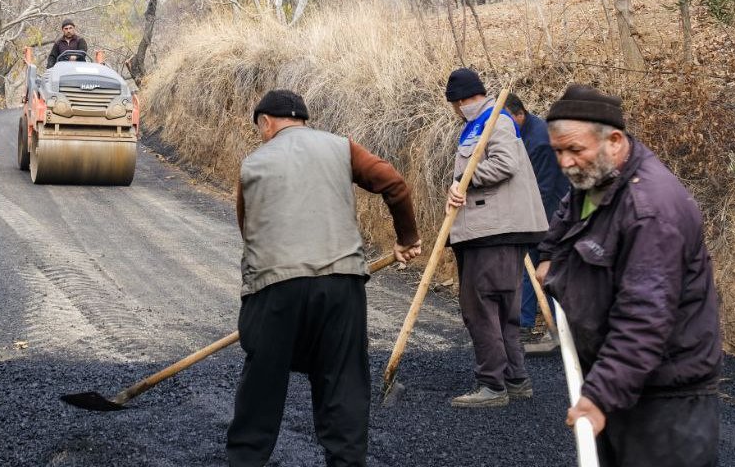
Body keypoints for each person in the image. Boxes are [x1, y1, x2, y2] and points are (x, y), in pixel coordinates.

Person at [228, 89, 422, 467]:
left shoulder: (253, 164)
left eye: (259, 128)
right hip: (340, 284)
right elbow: (394, 184)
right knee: (342, 380)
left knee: (262, 385)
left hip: (274, 288)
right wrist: (407, 237)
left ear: (266, 123)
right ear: (302, 119)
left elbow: (247, 229)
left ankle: (245, 460)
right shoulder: (341, 147)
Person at [537, 84, 722, 467]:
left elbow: (644, 317)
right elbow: (567, 217)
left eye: (575, 150)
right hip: (620, 376)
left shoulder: (650, 210)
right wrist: (550, 256)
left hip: (663, 398)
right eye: (557, 151)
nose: (565, 163)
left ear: (615, 141)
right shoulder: (597, 179)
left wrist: (599, 395)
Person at [443, 69, 548, 408]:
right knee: (502, 306)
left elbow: (505, 163)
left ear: (460, 100)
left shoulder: (495, 121)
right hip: (491, 229)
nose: (455, 111)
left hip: (494, 230)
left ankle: (492, 385)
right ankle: (515, 379)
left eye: (454, 105)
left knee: (481, 306)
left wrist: (465, 179)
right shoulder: (481, 123)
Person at [506, 93, 571, 350]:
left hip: (550, 213)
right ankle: (524, 324)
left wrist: (526, 219)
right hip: (534, 212)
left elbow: (543, 188)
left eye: (508, 120)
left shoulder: (540, 140)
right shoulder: (520, 133)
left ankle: (560, 331)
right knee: (528, 269)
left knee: (549, 272)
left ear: (520, 114)